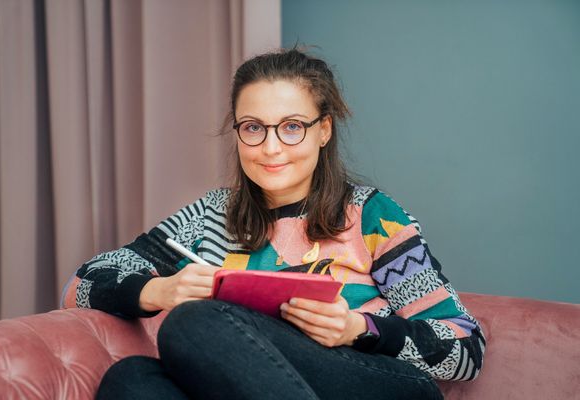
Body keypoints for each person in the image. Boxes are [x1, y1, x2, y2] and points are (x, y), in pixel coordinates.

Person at [61, 48, 485, 400]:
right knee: (131, 381)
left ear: (323, 130)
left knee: (194, 323)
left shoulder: (370, 214)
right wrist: (159, 290)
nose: (270, 148)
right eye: (253, 128)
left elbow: (466, 348)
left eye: (292, 127)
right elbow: (79, 286)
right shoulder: (212, 215)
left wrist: (359, 328)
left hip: (376, 381)